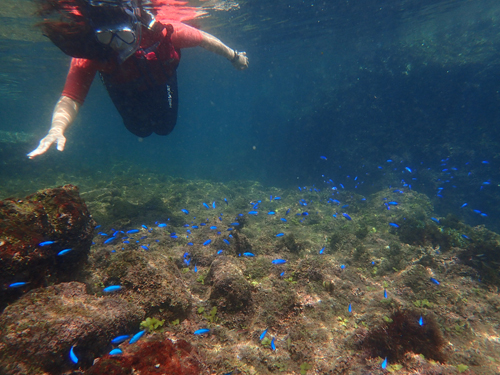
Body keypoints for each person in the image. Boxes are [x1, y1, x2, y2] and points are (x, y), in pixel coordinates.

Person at [28, 0, 248, 159]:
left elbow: (204, 39)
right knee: (139, 129)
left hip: (162, 81)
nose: (118, 45)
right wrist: (57, 128)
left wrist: (234, 56)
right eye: (107, 37)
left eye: (124, 35)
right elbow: (70, 98)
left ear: (136, 25)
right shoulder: (92, 51)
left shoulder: (163, 32)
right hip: (124, 90)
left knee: (165, 127)